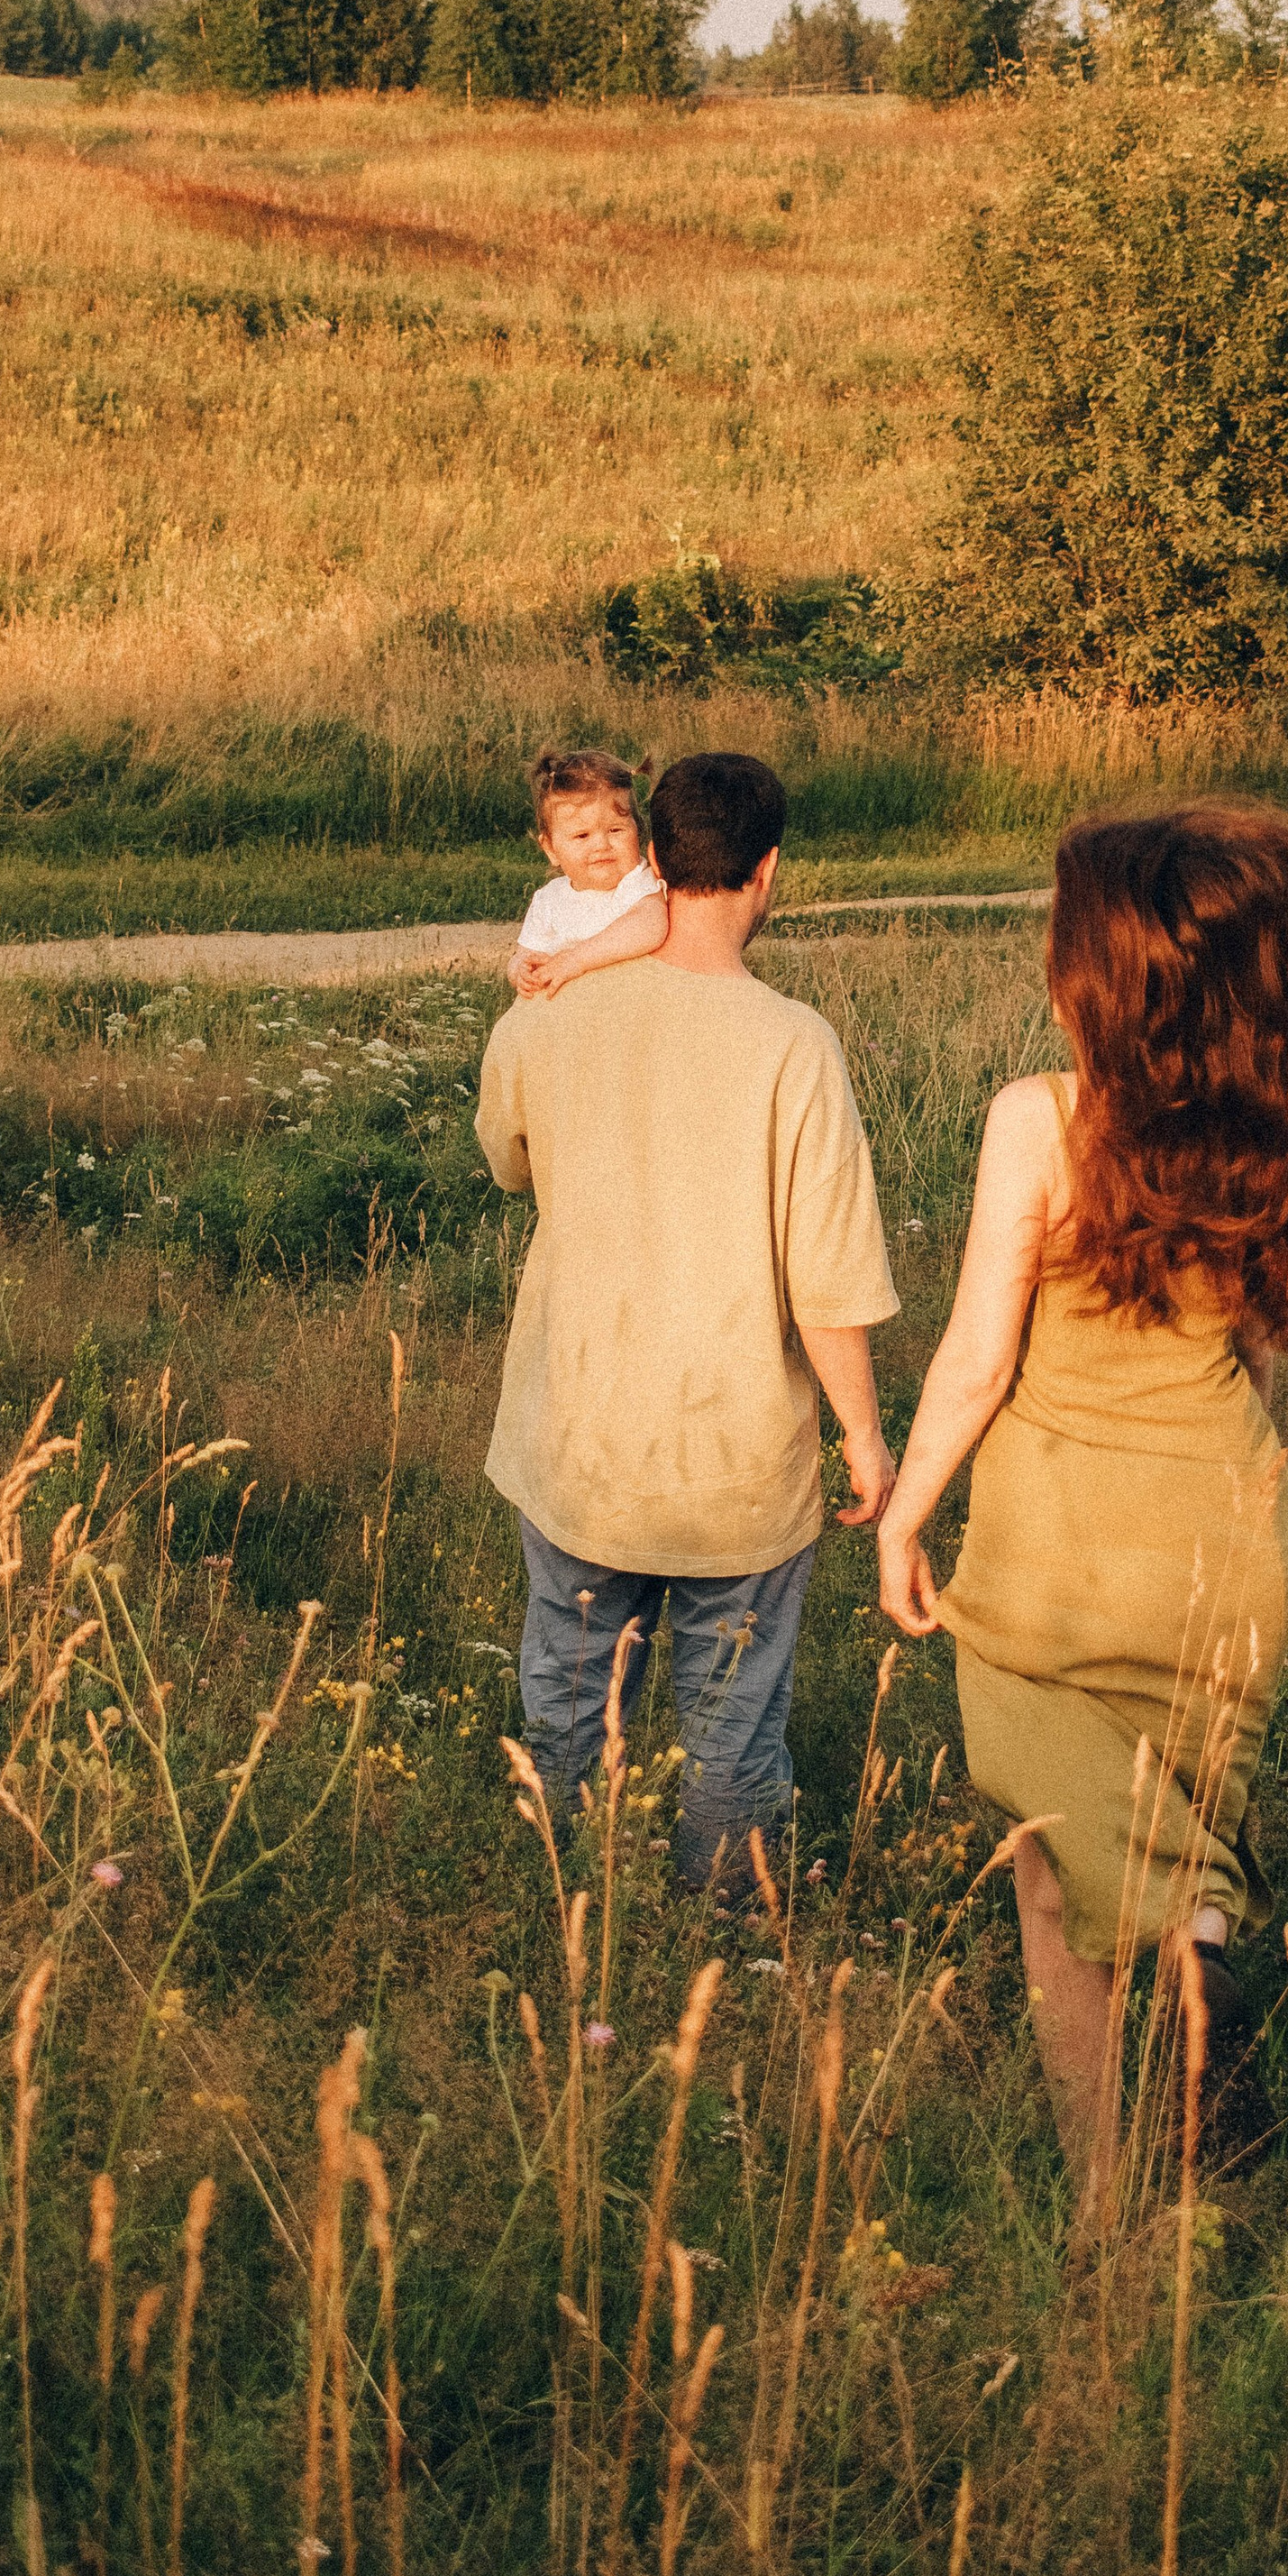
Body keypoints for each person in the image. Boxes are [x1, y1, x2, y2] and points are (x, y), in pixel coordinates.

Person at [876, 804, 1288, 2197]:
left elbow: (977, 1354)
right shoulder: (1280, 1126)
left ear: (1117, 978)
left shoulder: (1041, 1121)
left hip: (1052, 1558)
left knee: (1059, 1880)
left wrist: (902, 1512)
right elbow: (1249, 1347)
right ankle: (1188, 2086)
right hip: (1219, 1541)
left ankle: (1119, 2197)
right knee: (1178, 1856)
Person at [478, 750, 900, 1887]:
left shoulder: (547, 1009)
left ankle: (560, 1899)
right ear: (769, 871)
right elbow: (830, 1286)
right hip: (736, 1463)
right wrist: (863, 1439)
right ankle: (720, 1917)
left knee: (568, 1695)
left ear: (654, 859)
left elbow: (506, 1163)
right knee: (730, 1720)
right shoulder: (794, 1043)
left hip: (578, 1437)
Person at [506, 747, 671, 1000]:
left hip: (625, 1006)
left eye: (615, 830)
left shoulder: (636, 882)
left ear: (637, 829)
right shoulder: (549, 900)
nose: (601, 845)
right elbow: (525, 953)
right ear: (550, 849)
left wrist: (577, 959)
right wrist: (520, 970)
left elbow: (650, 926)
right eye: (582, 835)